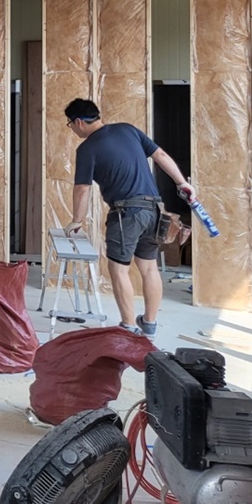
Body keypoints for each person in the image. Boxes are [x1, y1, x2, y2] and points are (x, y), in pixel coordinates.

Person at [63, 98, 193, 338]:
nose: (72, 129)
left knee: (118, 269)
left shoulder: (87, 149)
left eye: (70, 124)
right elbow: (160, 154)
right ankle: (149, 324)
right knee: (149, 267)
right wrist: (182, 183)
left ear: (79, 122)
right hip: (154, 210)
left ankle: (128, 325)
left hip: (126, 214)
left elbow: (82, 188)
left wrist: (76, 221)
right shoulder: (128, 130)